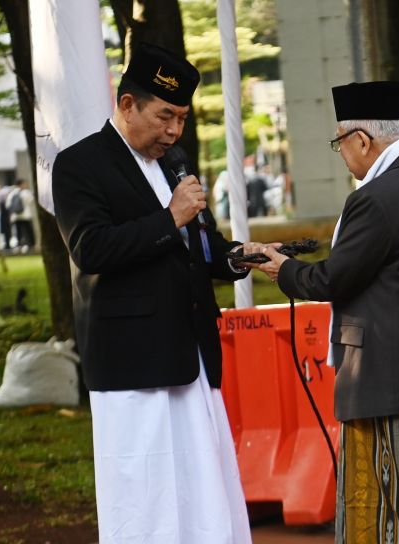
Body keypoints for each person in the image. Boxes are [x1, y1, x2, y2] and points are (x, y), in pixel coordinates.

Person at [52, 43, 263, 543]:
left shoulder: (175, 162)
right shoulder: (80, 165)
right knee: (145, 494)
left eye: (182, 119)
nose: (173, 131)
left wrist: (234, 257)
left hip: (189, 350)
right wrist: (170, 217)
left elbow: (196, 242)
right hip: (132, 362)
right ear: (127, 105)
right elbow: (91, 249)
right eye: (164, 116)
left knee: (202, 485)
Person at [255, 80, 399, 544]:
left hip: (384, 382)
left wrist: (284, 269)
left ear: (361, 139)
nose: (344, 156)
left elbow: (335, 278)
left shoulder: (375, 199)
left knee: (396, 510)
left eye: (340, 144)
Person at [6, 179, 36, 252]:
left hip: (16, 216)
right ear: (21, 184)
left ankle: (19, 246)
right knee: (28, 231)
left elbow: (8, 205)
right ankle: (31, 245)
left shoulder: (12, 193)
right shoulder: (26, 192)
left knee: (18, 232)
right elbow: (31, 201)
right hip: (26, 215)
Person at [0, 181, 14, 251]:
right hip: (4, 217)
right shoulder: (4, 195)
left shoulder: (2, 195)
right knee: (6, 231)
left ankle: (7, 244)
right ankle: (7, 244)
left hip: (4, 217)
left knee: (6, 231)